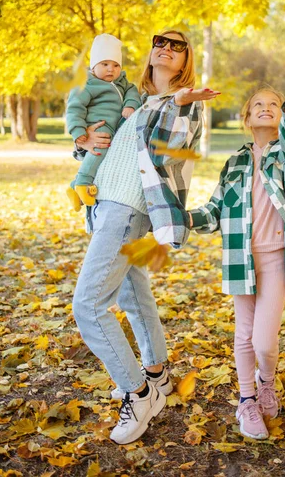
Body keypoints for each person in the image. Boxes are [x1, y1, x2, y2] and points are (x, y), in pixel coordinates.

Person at [71, 30, 220, 445]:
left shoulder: (184, 103)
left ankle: (139, 394)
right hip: (104, 204)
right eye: (161, 41)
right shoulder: (130, 97)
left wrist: (180, 104)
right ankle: (156, 373)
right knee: (130, 295)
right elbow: (106, 148)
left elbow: (166, 152)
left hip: (127, 207)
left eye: (178, 46)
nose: (166, 48)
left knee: (88, 304)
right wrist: (84, 141)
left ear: (186, 59)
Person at [188, 83, 285, 440]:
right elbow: (214, 210)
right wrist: (184, 219)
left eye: (273, 105)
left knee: (265, 341)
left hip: (275, 260)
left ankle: (267, 381)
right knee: (244, 335)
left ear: (280, 116)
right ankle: (247, 399)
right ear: (246, 118)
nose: (267, 108)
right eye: (258, 105)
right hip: (239, 258)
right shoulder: (234, 162)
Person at [66, 33, 141, 210]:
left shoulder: (122, 82)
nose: (111, 69)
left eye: (116, 65)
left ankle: (72, 187)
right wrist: (78, 132)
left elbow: (133, 92)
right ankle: (82, 184)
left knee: (104, 161)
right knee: (99, 148)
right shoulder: (86, 84)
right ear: (93, 66)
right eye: (105, 64)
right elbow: (74, 108)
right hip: (98, 126)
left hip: (114, 130)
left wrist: (130, 105)